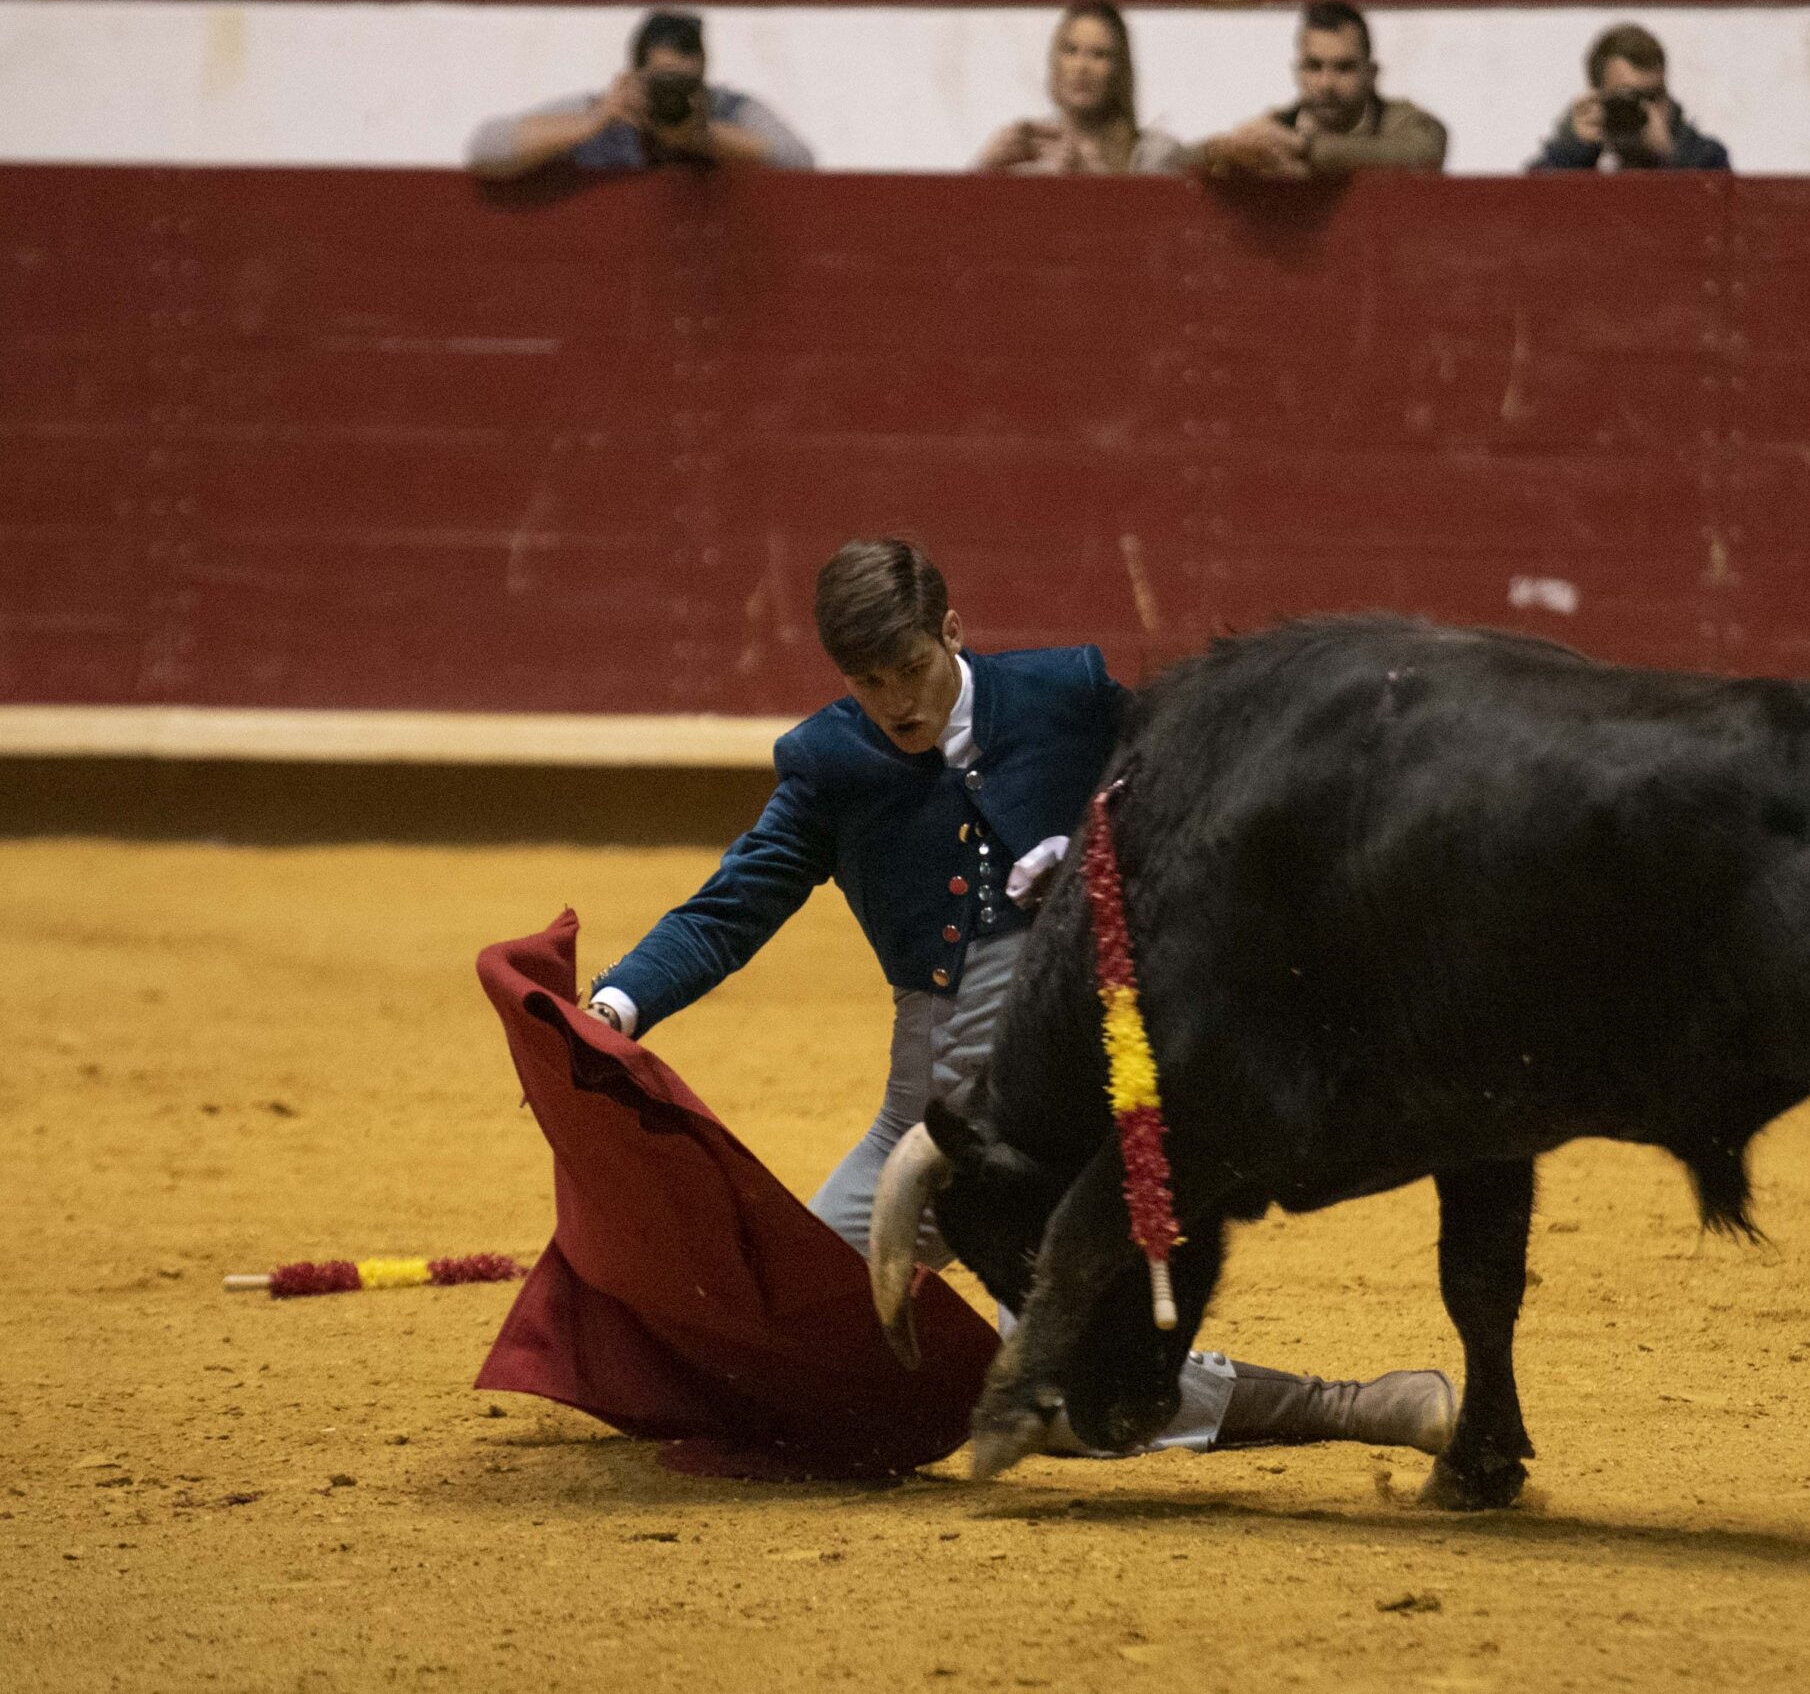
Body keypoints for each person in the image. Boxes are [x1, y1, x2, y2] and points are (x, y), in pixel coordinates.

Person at [584, 539, 1454, 1458]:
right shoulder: (827, 765)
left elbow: (1184, 791)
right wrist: (618, 1002)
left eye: (913, 668)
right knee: (790, 1333)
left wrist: (1090, 854)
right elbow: (733, 906)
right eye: (870, 681)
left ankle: (1353, 1405)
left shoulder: (1065, 696)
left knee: (1066, 1398)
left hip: (1065, 1132)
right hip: (918, 1119)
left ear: (951, 631)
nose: (898, 702)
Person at [466, 8, 813, 180]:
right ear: (636, 77)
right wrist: (591, 123)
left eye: (686, 84)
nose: (673, 96)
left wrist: (703, 136)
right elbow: (485, 149)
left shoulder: (729, 111)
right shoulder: (612, 111)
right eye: (663, 83)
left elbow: (800, 163)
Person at [1196, 0, 1446, 178]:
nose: (1326, 83)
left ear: (1371, 74)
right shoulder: (1278, 125)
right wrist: (1224, 152)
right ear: (1297, 72)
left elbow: (1425, 152)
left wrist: (1304, 148)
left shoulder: (1401, 121)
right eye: (1314, 66)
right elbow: (1182, 159)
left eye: (1344, 67)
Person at [978, 1, 1183, 176]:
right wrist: (983, 170)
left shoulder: (1157, 155)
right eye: (1071, 50)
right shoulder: (1031, 153)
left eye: (1099, 54)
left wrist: (1090, 182)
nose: (1081, 67)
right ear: (1055, 64)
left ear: (1120, 69)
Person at [1528, 23, 1729, 173]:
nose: (1640, 108)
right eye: (1627, 98)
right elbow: (1530, 211)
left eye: (1653, 97)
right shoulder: (1580, 152)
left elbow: (1716, 211)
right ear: (1598, 97)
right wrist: (1572, 153)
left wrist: (1671, 158)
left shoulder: (1703, 157)